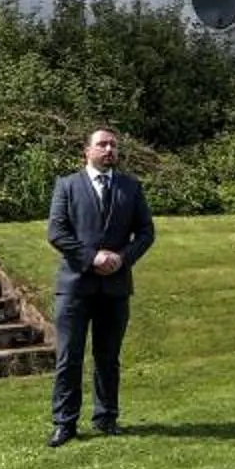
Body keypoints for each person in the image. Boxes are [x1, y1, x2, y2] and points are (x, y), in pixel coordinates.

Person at [43, 125, 154, 446]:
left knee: (108, 357)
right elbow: (57, 232)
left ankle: (106, 417)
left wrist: (122, 258)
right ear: (87, 151)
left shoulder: (130, 187)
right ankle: (65, 423)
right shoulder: (67, 186)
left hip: (115, 287)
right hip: (75, 286)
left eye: (113, 145)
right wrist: (92, 257)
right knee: (69, 357)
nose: (109, 150)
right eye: (102, 144)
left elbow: (146, 232)